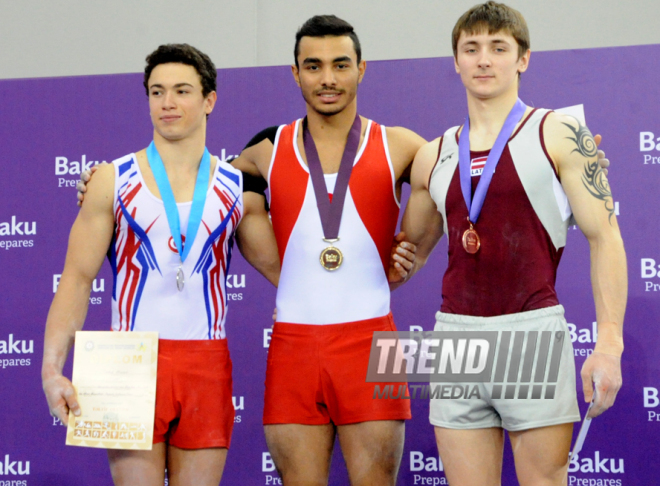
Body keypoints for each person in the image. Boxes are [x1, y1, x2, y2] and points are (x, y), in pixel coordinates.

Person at [401, 2, 627, 485]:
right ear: (455, 60)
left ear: (522, 58)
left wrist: (608, 342)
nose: (484, 60)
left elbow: (605, 237)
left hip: (531, 332)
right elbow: (407, 253)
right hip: (456, 337)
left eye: (498, 48)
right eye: (472, 48)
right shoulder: (432, 155)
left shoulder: (560, 134)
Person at [42, 43, 280, 486]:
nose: (167, 103)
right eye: (157, 92)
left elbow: (284, 274)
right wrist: (52, 368)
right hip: (126, 362)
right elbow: (76, 280)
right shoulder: (111, 180)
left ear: (209, 100)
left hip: (205, 364)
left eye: (182, 91)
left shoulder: (236, 188)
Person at [228, 15, 423, 485]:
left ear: (362, 69)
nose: (328, 79)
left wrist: (417, 254)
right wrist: (99, 186)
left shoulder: (400, 144)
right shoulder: (265, 150)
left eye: (340, 65)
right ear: (295, 73)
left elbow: (469, 184)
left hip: (372, 340)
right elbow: (192, 196)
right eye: (313, 66)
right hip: (294, 343)